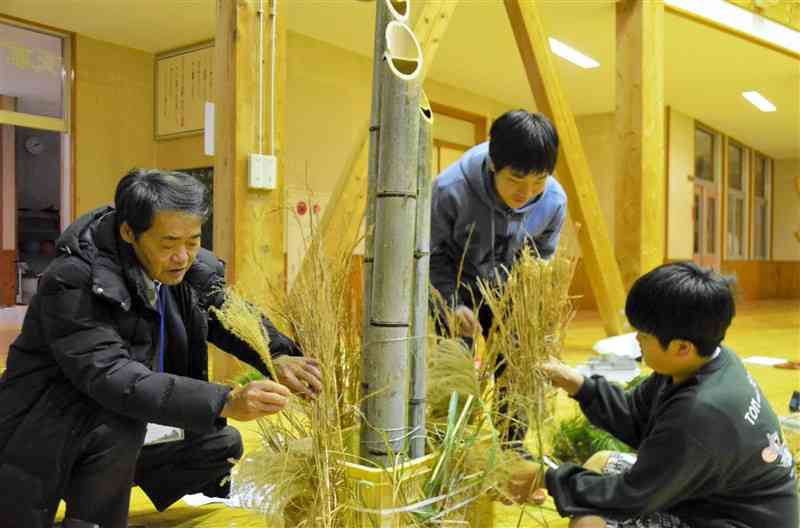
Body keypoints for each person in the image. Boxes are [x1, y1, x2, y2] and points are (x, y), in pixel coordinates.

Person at [0, 169, 322, 528]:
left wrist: (275, 353)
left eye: (193, 241)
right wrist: (224, 400)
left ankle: (112, 487)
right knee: (119, 428)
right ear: (129, 233)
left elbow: (230, 315)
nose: (182, 257)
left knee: (220, 442)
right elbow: (112, 375)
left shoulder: (188, 269)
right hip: (43, 428)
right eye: (168, 244)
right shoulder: (74, 280)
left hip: (125, 415)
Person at [510, 262, 798, 528]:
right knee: (602, 461)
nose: (637, 340)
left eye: (644, 336)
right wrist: (578, 384)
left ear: (681, 347)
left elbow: (631, 497)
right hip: (710, 496)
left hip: (734, 520)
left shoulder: (701, 413)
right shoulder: (703, 360)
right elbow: (635, 416)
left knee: (589, 523)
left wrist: (545, 478)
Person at [429, 109, 566, 449]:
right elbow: (431, 256)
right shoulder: (450, 190)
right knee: (453, 366)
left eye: (539, 180)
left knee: (518, 362)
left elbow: (539, 260)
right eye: (516, 180)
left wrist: (529, 307)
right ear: (493, 163)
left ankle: (511, 448)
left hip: (509, 290)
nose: (527, 192)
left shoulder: (553, 200)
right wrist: (451, 304)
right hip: (454, 285)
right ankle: (447, 446)